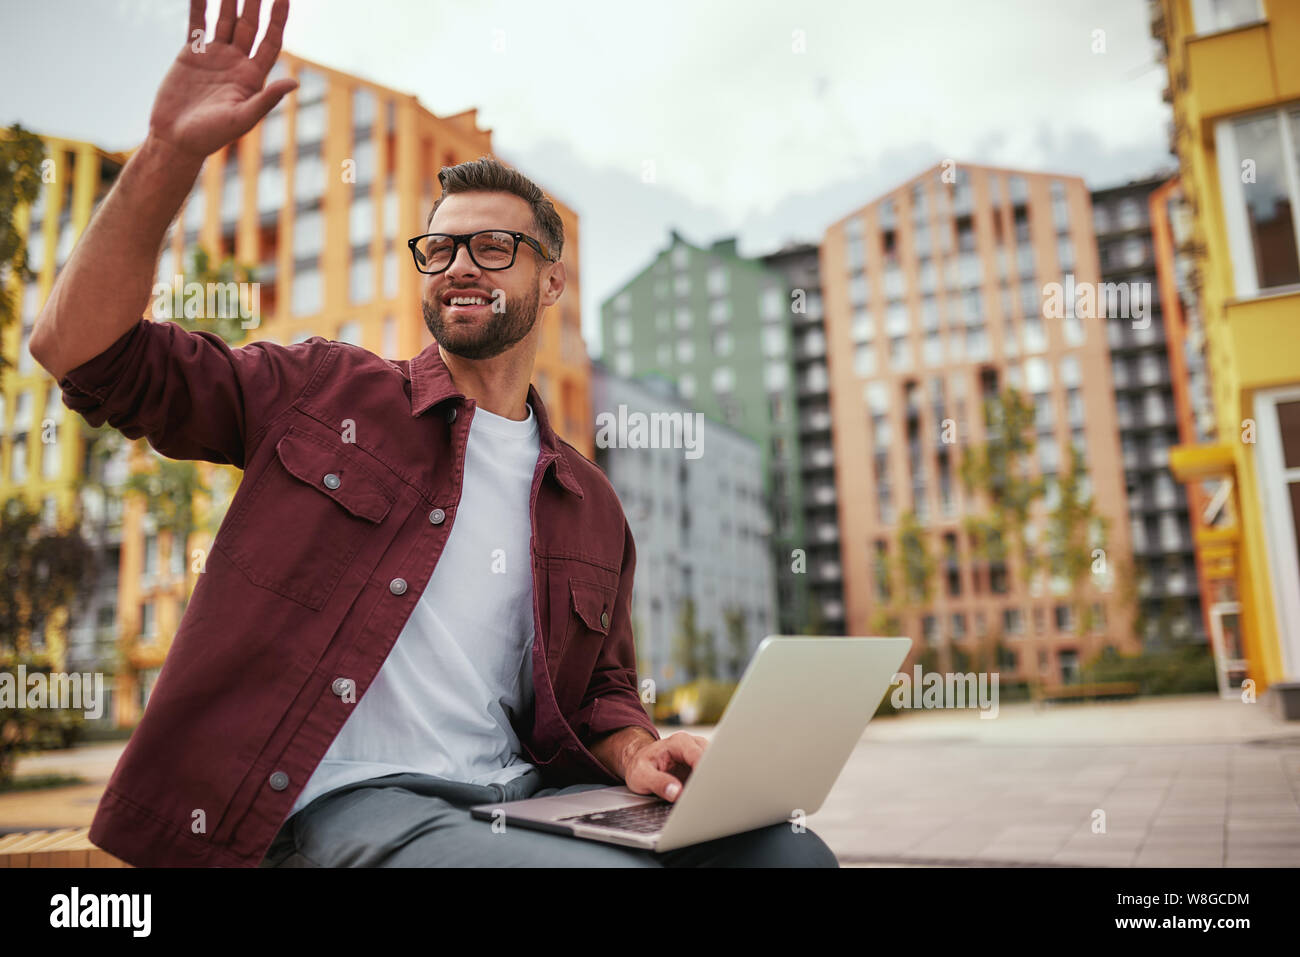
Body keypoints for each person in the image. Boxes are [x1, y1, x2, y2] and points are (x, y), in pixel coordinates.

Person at [31, 0, 837, 868]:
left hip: (526, 796)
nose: (458, 264)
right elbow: (82, 353)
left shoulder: (589, 502)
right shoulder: (323, 390)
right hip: (357, 801)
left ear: (552, 280)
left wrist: (639, 750)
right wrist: (170, 153)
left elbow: (601, 691)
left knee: (789, 855)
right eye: (440, 248)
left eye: (493, 247)